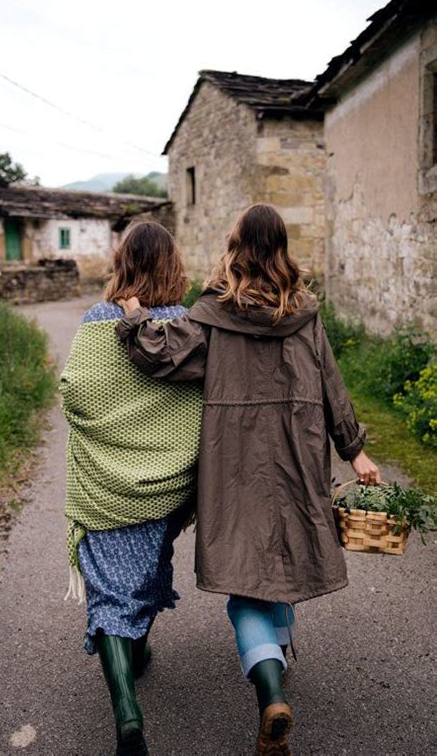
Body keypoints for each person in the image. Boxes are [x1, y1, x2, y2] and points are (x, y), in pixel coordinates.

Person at [116, 203, 380, 756]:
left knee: (246, 585)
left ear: (236, 248)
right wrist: (354, 452)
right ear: (281, 248)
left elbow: (161, 356)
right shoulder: (306, 312)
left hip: (233, 460)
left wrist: (136, 315)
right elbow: (332, 383)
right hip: (299, 453)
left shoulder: (211, 314)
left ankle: (271, 694)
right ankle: (278, 662)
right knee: (280, 559)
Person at [60, 221, 203, 756]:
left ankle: (127, 717)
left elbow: (75, 391)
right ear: (172, 264)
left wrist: (105, 433)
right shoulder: (190, 324)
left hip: (105, 483)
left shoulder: (99, 320)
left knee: (110, 590)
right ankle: (135, 654)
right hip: (170, 484)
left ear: (123, 262)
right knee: (143, 569)